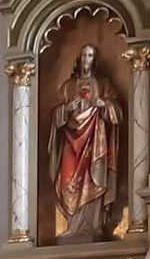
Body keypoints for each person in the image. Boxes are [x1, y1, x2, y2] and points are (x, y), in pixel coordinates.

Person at [48, 44, 122, 244]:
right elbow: (54, 116)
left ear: (94, 60)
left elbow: (117, 114)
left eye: (90, 55)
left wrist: (104, 105)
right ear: (79, 59)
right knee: (68, 180)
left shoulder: (104, 85)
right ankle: (73, 226)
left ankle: (93, 225)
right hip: (71, 141)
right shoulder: (68, 86)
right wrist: (66, 109)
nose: (86, 59)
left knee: (93, 177)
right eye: (83, 55)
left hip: (95, 141)